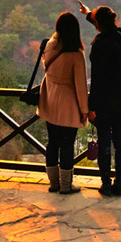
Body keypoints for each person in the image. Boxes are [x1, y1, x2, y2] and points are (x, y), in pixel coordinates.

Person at [79, 2, 121, 196]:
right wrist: (89, 13)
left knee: (104, 142)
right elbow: (106, 25)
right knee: (120, 142)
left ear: (98, 24)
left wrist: (91, 106)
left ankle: (106, 183)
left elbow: (97, 79)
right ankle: (120, 182)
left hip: (105, 102)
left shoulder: (99, 45)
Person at [37, 11, 89, 194]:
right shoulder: (76, 54)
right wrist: (85, 110)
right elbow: (81, 86)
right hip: (68, 104)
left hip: (49, 99)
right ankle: (66, 185)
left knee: (52, 143)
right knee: (67, 145)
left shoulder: (49, 46)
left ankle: (54, 183)